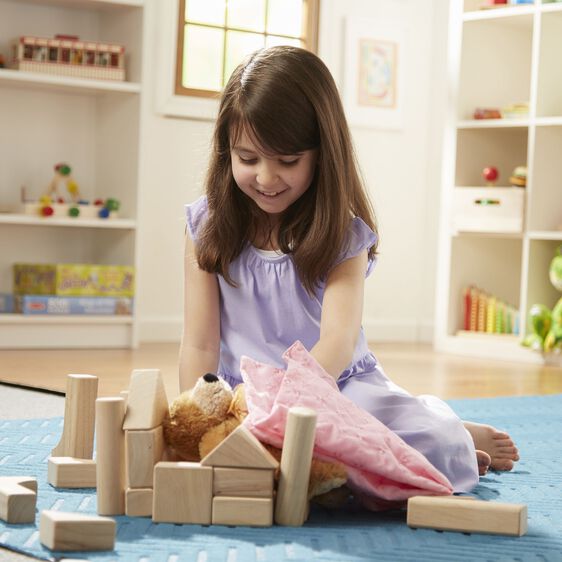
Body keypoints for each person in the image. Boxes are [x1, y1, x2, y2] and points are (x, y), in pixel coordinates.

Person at [179, 46, 519, 493]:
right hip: (243, 396)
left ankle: (451, 430)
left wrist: (286, 410)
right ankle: (399, 457)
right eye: (248, 159)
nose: (265, 178)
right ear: (227, 153)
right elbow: (201, 342)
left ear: (322, 153)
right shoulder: (206, 226)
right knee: (261, 461)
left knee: (430, 444)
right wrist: (193, 417)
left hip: (329, 384)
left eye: (287, 161)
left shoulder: (342, 236)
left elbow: (336, 343)